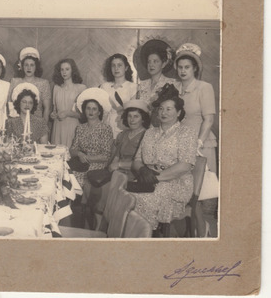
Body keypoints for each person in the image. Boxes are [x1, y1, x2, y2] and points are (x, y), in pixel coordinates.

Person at [130, 84, 197, 234]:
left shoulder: (186, 133)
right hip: (147, 179)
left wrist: (156, 178)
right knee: (125, 197)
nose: (163, 112)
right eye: (161, 109)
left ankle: (146, 238)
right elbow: (137, 160)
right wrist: (142, 169)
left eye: (169, 109)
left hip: (176, 183)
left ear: (179, 112)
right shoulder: (149, 133)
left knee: (144, 200)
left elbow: (185, 165)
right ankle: (131, 237)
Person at [89, 99, 150, 226]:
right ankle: (101, 224)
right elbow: (116, 155)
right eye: (129, 116)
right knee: (93, 186)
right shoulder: (123, 134)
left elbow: (144, 162)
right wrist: (113, 166)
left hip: (135, 175)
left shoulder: (147, 136)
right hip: (118, 172)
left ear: (143, 119)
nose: (132, 120)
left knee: (105, 190)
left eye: (136, 116)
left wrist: (119, 165)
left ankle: (109, 226)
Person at [69, 88, 114, 228]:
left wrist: (88, 157)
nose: (91, 112)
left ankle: (90, 216)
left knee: (83, 179)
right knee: (68, 176)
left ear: (99, 111)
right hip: (81, 162)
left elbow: (106, 155)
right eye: (88, 108)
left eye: (94, 109)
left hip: (97, 166)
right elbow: (73, 149)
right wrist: (80, 154)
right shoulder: (80, 128)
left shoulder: (106, 129)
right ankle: (73, 217)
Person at [174, 43, 218, 174]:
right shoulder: (174, 87)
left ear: (194, 68)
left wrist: (198, 143)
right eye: (180, 67)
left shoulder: (204, 87)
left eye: (187, 67)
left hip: (201, 142)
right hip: (179, 142)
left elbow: (209, 120)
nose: (183, 71)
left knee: (202, 187)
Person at [137, 40, 177, 125]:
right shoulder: (141, 85)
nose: (151, 65)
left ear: (163, 64)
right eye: (149, 62)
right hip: (143, 126)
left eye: (155, 61)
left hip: (162, 126)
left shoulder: (171, 83)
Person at [99, 53, 138, 138]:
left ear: (126, 68)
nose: (116, 68)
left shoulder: (133, 87)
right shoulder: (104, 86)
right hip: (106, 124)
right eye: (113, 65)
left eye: (119, 65)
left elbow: (132, 110)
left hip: (123, 125)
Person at [50, 58, 86, 148]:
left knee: (71, 156)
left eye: (67, 69)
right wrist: (53, 114)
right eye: (62, 70)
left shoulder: (81, 88)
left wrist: (68, 113)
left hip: (73, 126)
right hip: (58, 126)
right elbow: (54, 110)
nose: (64, 72)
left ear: (72, 70)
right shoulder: (56, 88)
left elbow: (84, 115)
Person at [9, 47, 51, 122]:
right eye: (26, 65)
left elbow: (47, 108)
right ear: (21, 66)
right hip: (18, 122)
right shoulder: (15, 81)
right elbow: (10, 105)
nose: (29, 68)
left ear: (36, 67)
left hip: (37, 122)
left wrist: (43, 127)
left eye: (32, 65)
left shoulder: (44, 83)